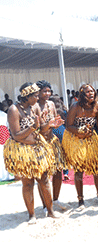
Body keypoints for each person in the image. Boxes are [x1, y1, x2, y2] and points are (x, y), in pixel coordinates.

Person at [3, 83, 58, 223]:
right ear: (26, 96)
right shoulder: (14, 110)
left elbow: (40, 129)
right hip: (23, 150)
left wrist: (50, 124)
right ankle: (31, 215)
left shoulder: (35, 107)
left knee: (44, 180)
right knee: (27, 183)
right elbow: (16, 135)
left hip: (37, 147)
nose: (38, 97)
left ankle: (50, 211)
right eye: (35, 95)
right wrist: (31, 128)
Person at [62, 84, 98, 207]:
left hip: (90, 139)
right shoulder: (75, 107)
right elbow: (68, 126)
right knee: (79, 170)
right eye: (88, 92)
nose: (91, 93)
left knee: (96, 169)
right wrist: (80, 132)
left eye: (92, 91)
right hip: (76, 139)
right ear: (82, 94)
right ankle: (81, 200)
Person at [35, 80, 69, 211]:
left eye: (49, 91)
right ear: (38, 92)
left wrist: (58, 123)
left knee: (58, 171)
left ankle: (55, 199)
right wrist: (49, 124)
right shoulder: (35, 106)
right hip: (40, 143)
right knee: (42, 175)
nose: (47, 93)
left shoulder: (51, 104)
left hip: (52, 141)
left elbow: (54, 121)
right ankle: (45, 204)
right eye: (44, 91)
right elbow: (37, 128)